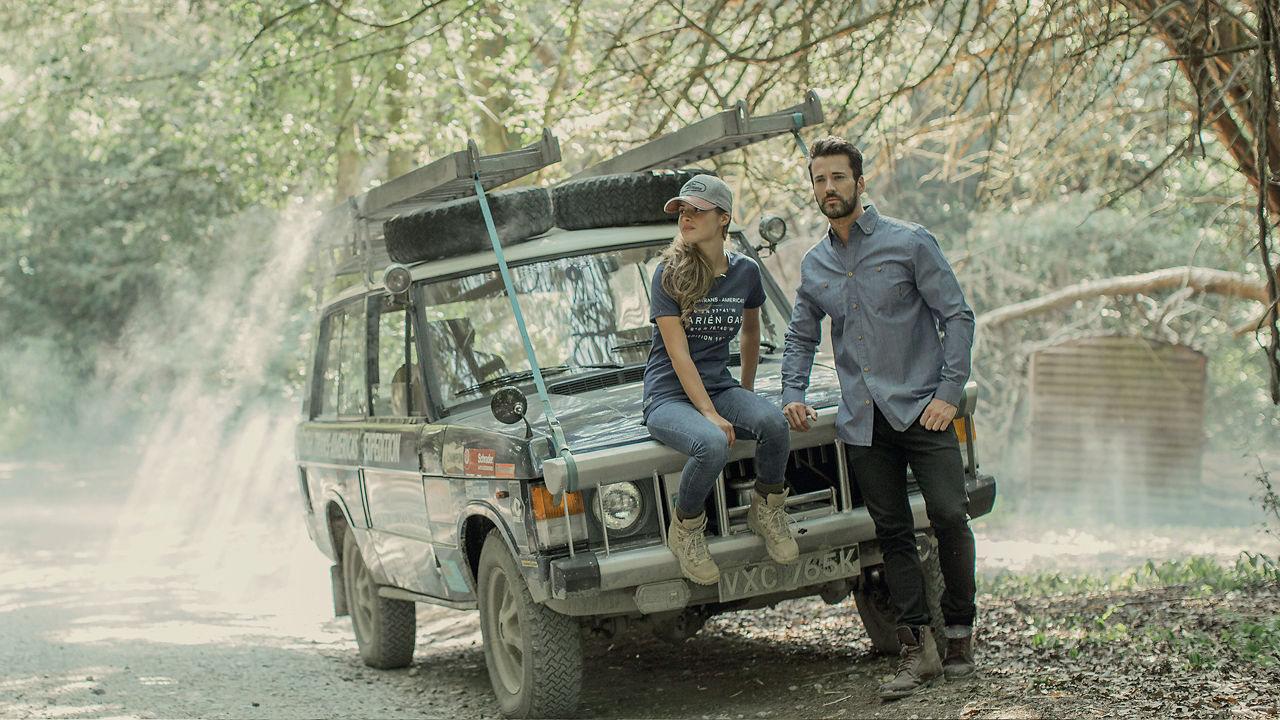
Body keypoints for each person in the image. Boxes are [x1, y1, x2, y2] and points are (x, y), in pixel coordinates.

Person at [780, 137, 978, 700]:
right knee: (892, 535)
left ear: (860, 183)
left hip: (924, 410)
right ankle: (919, 653)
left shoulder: (909, 243)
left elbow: (957, 317)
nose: (828, 189)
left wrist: (948, 391)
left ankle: (959, 632)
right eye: (819, 180)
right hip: (864, 421)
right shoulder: (815, 263)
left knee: (947, 514)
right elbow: (799, 334)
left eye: (838, 178)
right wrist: (792, 391)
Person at [643, 174, 799, 586]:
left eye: (698, 210)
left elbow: (751, 332)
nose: (687, 218)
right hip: (667, 397)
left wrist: (745, 394)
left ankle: (766, 509)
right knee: (711, 443)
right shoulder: (668, 274)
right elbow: (677, 353)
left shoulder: (745, 271)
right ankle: (687, 529)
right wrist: (710, 413)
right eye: (683, 211)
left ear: (724, 218)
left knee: (773, 424)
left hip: (718, 385)